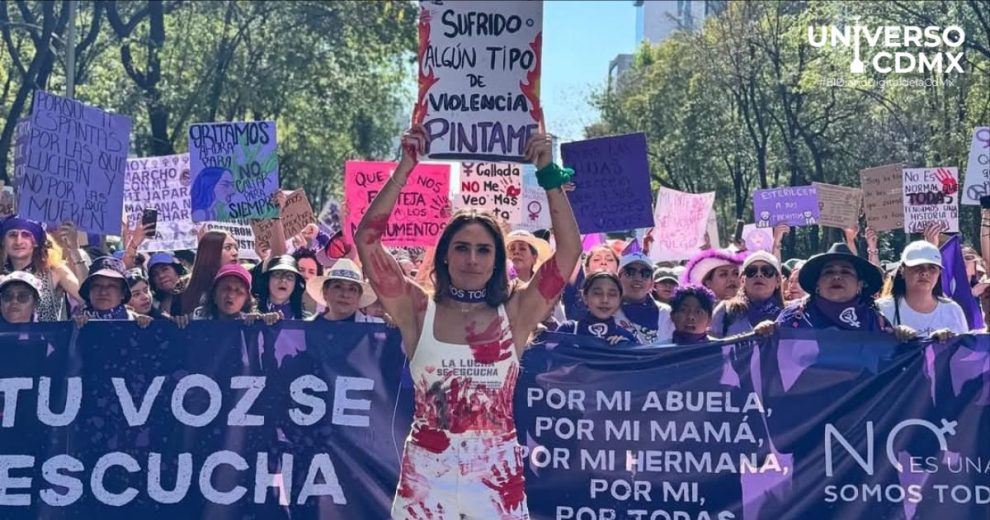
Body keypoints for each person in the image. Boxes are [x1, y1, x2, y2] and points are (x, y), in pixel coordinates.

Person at [357, 127, 580, 519]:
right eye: (461, 248)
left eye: (483, 250)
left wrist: (548, 173)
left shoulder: (515, 313)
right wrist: (405, 168)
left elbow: (569, 253)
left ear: (497, 259)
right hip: (425, 481)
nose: (472, 259)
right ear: (444, 256)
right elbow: (368, 242)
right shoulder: (416, 310)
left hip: (495, 484)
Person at [761, 243, 909, 339]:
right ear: (817, 284)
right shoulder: (793, 317)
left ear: (860, 285)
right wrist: (763, 334)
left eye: (846, 272)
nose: (837, 276)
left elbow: (894, 366)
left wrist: (902, 338)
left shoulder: (877, 322)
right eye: (828, 272)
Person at [876, 241, 967, 339]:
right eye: (917, 267)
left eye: (932, 268)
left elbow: (966, 351)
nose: (924, 273)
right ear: (902, 270)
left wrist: (943, 344)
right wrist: (892, 336)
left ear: (939, 273)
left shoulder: (953, 310)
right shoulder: (882, 309)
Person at [0, 217, 82, 321]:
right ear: (3, 241)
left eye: (26, 235)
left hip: (49, 337)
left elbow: (87, 298)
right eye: (12, 235)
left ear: (36, 242)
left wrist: (74, 249)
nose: (18, 241)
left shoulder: (55, 271)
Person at [709, 251, 785, 338]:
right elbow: (710, 346)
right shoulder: (725, 311)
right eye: (751, 271)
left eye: (766, 271)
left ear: (778, 280)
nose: (759, 275)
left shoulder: (790, 314)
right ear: (742, 280)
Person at [555, 271, 639, 346]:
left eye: (612, 294)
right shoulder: (568, 330)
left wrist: (626, 348)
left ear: (619, 299)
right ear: (585, 297)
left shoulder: (627, 337)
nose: (605, 300)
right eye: (597, 293)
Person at [614, 252, 674, 344]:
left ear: (652, 283)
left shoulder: (667, 313)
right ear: (618, 278)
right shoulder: (608, 312)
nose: (638, 278)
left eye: (645, 274)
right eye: (630, 272)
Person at [176, 230, 239, 316]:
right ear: (211, 253)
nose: (235, 253)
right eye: (228, 248)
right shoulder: (182, 288)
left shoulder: (244, 285)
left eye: (236, 248)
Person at [190, 264, 280, 324]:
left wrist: (270, 322)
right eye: (226, 288)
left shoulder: (253, 323)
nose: (231, 295)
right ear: (214, 294)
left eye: (239, 291)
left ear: (246, 300)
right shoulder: (196, 321)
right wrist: (179, 323)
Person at [74, 256, 150, 325]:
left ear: (123, 293)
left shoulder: (137, 323)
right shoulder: (76, 324)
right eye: (97, 286)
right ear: (88, 292)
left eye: (111, 286)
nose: (103, 292)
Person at [305, 259, 380, 322]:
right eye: (338, 286)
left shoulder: (376, 329)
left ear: (359, 296)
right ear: (325, 292)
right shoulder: (307, 327)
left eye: (352, 289)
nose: (345, 294)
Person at [256, 255, 310, 320]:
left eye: (290, 276)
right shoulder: (250, 314)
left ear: (295, 284)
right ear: (267, 280)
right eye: (277, 274)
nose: (283, 280)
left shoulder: (308, 321)